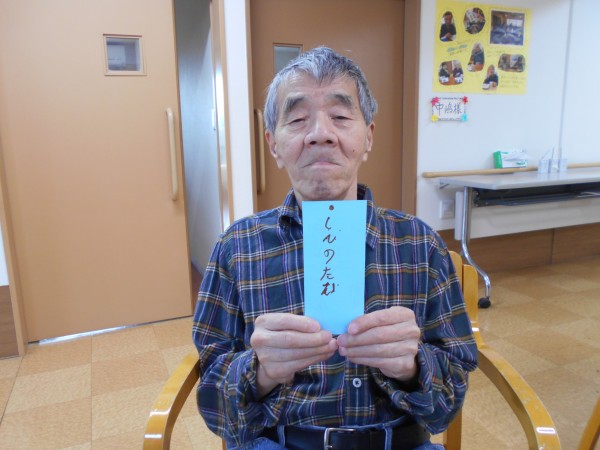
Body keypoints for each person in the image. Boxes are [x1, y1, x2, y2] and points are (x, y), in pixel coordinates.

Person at [193, 46, 477, 450]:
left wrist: (413, 367)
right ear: (273, 144)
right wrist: (260, 372)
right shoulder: (236, 249)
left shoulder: (420, 244)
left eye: (341, 116)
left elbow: (449, 400)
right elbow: (213, 405)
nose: (320, 133)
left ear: (368, 137)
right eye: (297, 119)